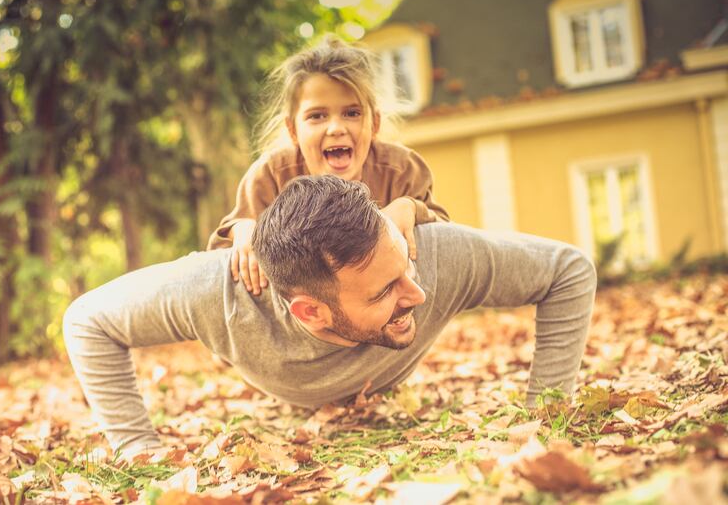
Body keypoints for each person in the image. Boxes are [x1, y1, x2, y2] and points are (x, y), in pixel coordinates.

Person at [64, 176, 596, 459]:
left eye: (405, 266)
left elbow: (569, 270)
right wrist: (136, 446)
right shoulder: (214, 292)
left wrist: (546, 409)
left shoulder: (433, 254)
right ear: (310, 311)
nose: (418, 291)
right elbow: (87, 320)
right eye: (386, 290)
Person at [207, 37, 449, 295]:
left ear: (374, 124)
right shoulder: (270, 176)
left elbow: (448, 241)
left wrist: (410, 207)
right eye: (317, 116)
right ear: (293, 130)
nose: (336, 128)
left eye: (352, 113)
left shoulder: (402, 171)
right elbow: (220, 249)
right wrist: (244, 231)